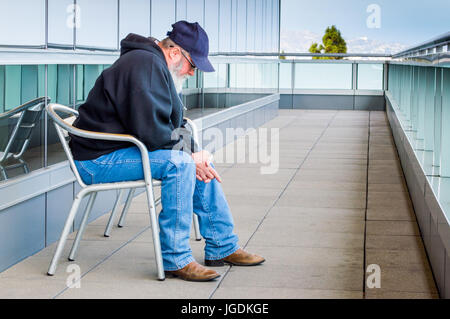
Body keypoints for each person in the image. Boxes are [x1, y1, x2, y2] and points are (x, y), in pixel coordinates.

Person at [69, 21, 265, 282]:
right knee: (180, 164)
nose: (193, 73)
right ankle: (176, 259)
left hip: (122, 149)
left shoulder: (154, 65)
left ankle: (222, 245)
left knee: (196, 163)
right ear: (175, 53)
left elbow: (175, 123)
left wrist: (196, 153)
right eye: (193, 65)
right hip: (97, 159)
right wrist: (189, 157)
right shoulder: (143, 65)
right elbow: (149, 130)